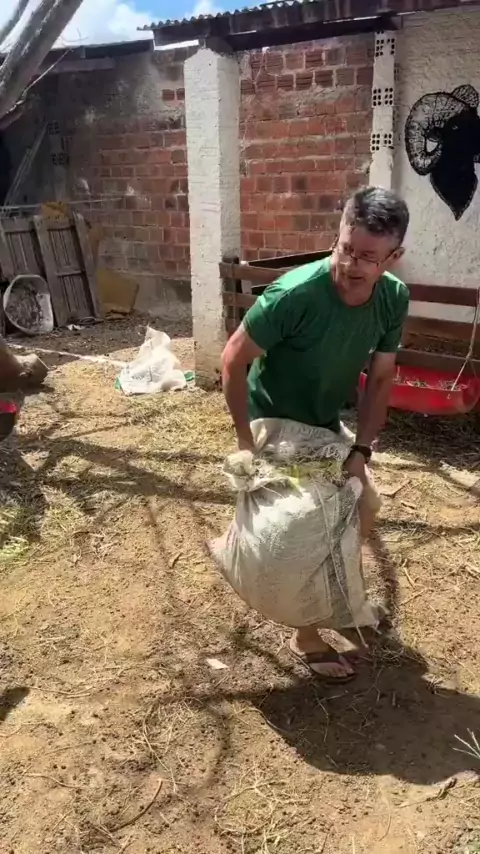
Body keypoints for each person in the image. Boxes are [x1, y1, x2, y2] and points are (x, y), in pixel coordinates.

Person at [221, 186, 410, 682]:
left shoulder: (393, 298)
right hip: (272, 420)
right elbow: (233, 359)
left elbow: (382, 378)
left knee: (364, 503)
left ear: (394, 258)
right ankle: (306, 633)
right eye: (346, 248)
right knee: (309, 518)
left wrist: (361, 449)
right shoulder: (294, 294)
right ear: (338, 236)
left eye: (367, 257)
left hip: (323, 424)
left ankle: (339, 602)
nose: (350, 264)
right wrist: (245, 443)